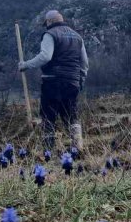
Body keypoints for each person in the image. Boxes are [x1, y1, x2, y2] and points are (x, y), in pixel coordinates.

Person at [19, 10, 88, 152]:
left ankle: (48, 150)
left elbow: (45, 56)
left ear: (49, 22)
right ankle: (78, 146)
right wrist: (80, 80)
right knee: (71, 115)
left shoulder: (50, 34)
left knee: (48, 116)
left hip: (53, 80)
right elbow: (85, 63)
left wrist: (26, 65)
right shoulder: (77, 36)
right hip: (72, 81)